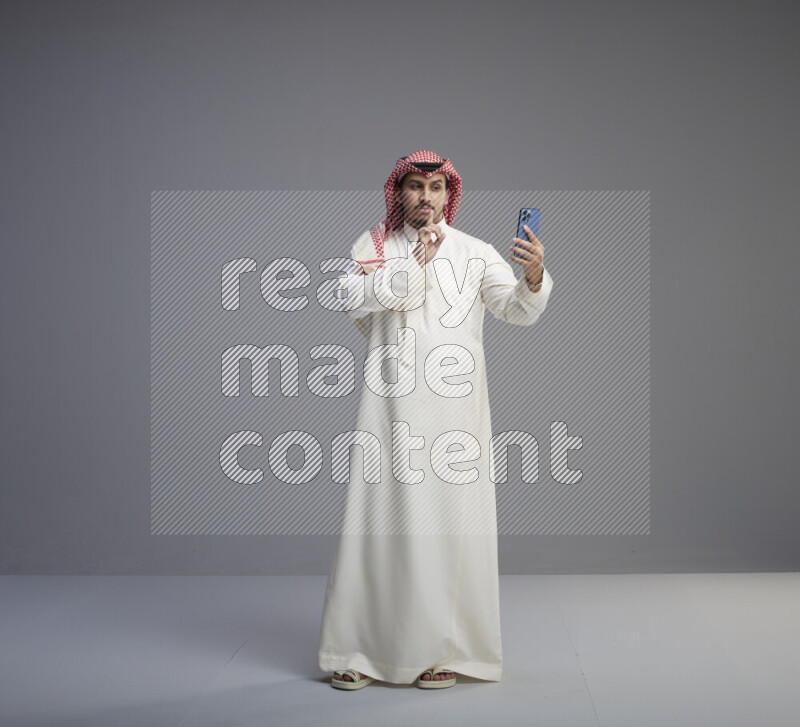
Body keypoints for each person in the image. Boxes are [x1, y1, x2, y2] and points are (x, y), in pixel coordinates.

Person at [317, 150, 553, 690]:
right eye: (416, 187)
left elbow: (515, 309)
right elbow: (346, 296)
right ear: (399, 193)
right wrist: (407, 270)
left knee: (447, 531)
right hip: (388, 411)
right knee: (378, 528)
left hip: (454, 420)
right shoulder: (374, 245)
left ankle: (440, 652)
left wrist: (534, 276)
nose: (426, 197)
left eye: (437, 187)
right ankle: (358, 648)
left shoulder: (477, 252)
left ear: (450, 195)